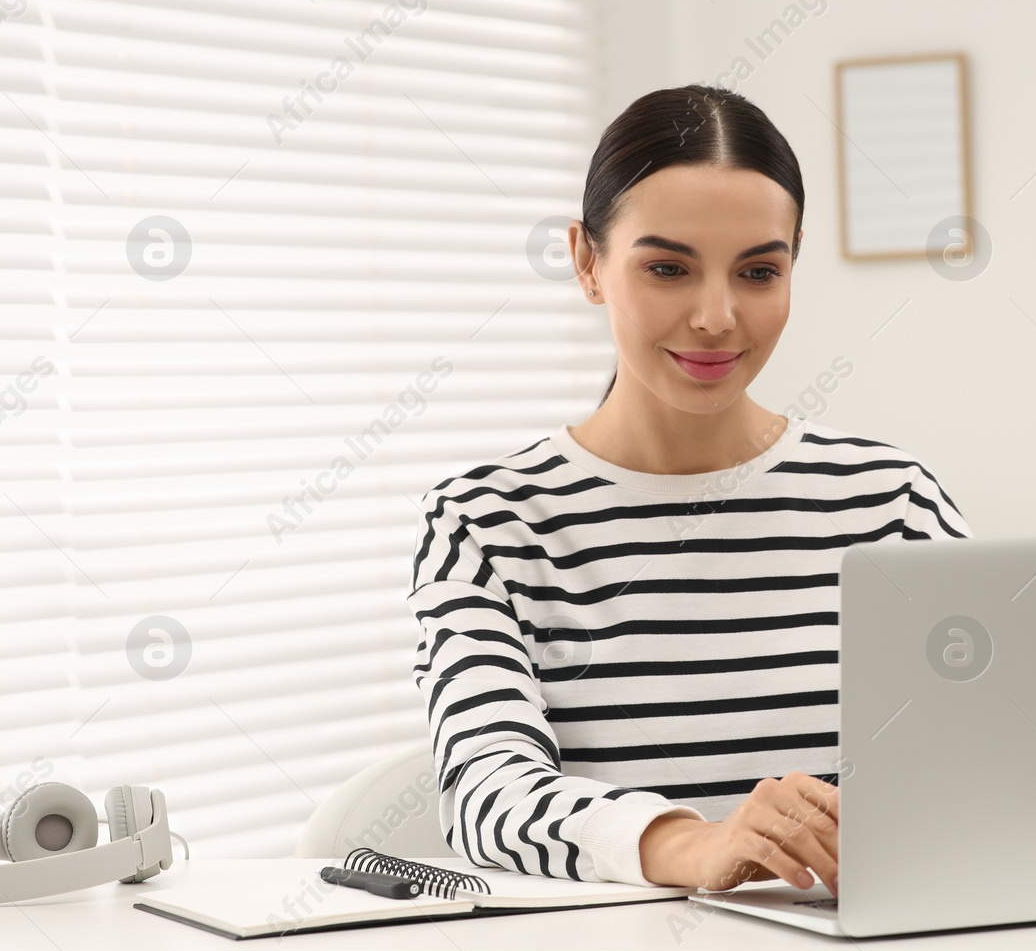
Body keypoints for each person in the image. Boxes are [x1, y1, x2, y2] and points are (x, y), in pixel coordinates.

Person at [408, 84, 971, 897]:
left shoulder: (891, 504)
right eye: (668, 267)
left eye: (758, 271)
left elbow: (986, 761)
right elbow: (486, 793)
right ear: (586, 261)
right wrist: (695, 845)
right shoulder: (488, 522)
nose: (717, 316)